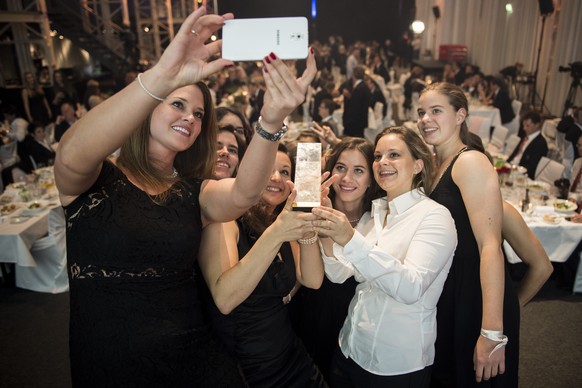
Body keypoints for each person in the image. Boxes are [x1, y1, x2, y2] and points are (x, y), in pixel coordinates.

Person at [54, 7, 317, 386]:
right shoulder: (95, 179)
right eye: (177, 104)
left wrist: (272, 120)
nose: (191, 118)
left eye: (199, 114)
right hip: (111, 362)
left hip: (195, 359)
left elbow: (245, 192)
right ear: (146, 110)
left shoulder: (194, 192)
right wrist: (162, 76)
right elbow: (70, 152)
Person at [309, 126, 457, 387]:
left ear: (418, 165)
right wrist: (326, 227)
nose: (382, 162)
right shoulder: (376, 213)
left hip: (395, 365)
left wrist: (349, 237)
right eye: (377, 156)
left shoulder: (435, 217)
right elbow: (338, 271)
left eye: (394, 155)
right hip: (349, 348)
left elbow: (410, 287)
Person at [198, 144, 327, 387]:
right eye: (268, 169)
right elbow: (225, 299)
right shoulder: (225, 219)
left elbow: (312, 279)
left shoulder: (283, 220)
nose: (277, 178)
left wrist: (308, 218)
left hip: (291, 356)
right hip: (248, 367)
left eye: (286, 172)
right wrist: (278, 231)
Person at [417, 82, 520, 387]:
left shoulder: (470, 161)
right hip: (451, 291)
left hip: (473, 295)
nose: (425, 119)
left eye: (436, 111)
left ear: (460, 115)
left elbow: (490, 246)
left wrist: (492, 331)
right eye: (421, 112)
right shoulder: (437, 163)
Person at [292, 137, 381, 382]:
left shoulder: (379, 218)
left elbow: (342, 272)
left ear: (372, 178)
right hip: (313, 319)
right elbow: (313, 278)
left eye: (358, 170)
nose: (346, 178)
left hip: (358, 328)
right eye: (340, 168)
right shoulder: (309, 207)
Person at [506, 110, 548, 180]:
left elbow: (532, 167)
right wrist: (505, 164)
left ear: (537, 125)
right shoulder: (525, 136)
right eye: (523, 125)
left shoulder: (541, 143)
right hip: (512, 167)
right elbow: (515, 153)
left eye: (527, 126)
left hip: (522, 174)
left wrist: (514, 170)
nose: (524, 128)